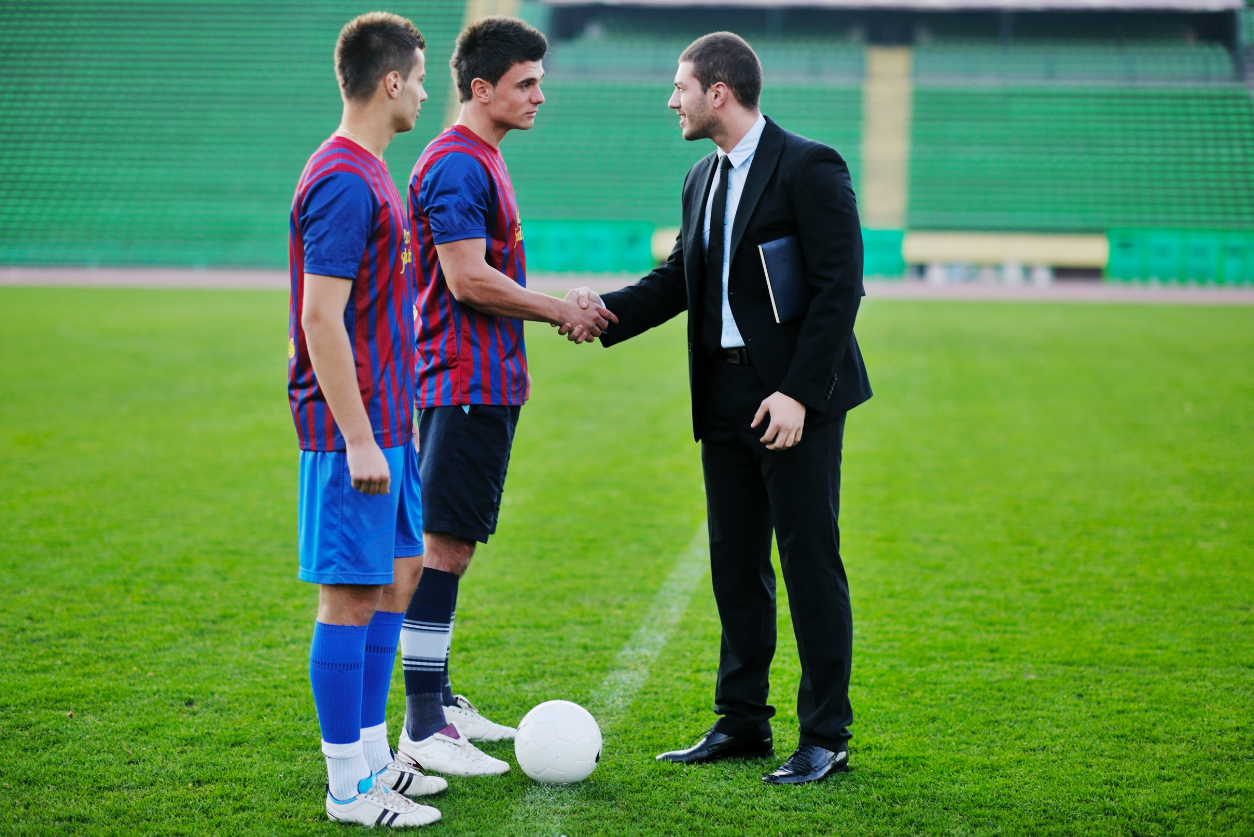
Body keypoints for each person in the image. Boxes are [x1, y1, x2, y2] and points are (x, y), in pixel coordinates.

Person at [568, 32, 872, 785]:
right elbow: (678, 280)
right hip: (726, 394)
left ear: (719, 92)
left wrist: (799, 391)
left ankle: (826, 736)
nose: (670, 99)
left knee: (809, 564)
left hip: (795, 397)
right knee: (736, 564)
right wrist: (598, 311)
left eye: (680, 86)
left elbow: (841, 288)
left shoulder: (809, 165)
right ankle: (742, 723)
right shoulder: (700, 179)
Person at [393, 15, 615, 778]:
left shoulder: (482, 156)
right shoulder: (457, 163)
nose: (540, 96)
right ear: (481, 89)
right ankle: (423, 723)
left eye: (540, 81)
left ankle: (440, 699)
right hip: (462, 384)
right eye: (527, 83)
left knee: (452, 542)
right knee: (444, 546)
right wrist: (561, 308)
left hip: (481, 384)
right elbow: (465, 278)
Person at [287, 12, 446, 826]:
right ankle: (346, 784)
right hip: (352, 428)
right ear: (391, 81)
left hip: (392, 419)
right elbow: (321, 317)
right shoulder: (345, 180)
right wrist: (355, 436)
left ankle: (376, 755)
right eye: (419, 78)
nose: (424, 90)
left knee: (400, 575)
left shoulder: (377, 170)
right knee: (349, 596)